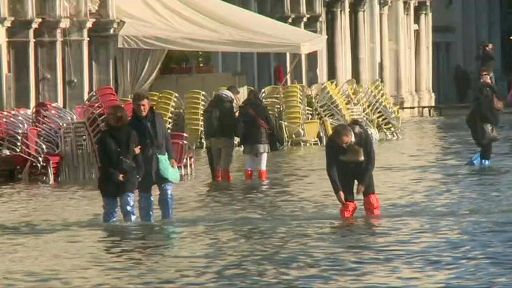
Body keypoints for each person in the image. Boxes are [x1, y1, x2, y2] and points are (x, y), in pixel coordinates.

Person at [129, 92, 177, 222]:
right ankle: (147, 224)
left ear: (148, 105)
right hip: (144, 163)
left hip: (161, 160)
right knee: (145, 197)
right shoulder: (131, 124)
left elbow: (167, 137)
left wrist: (171, 157)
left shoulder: (158, 117)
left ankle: (168, 221)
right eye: (138, 106)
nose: (141, 108)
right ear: (133, 106)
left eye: (143, 105)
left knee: (166, 192)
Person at [97, 105, 143, 223]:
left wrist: (139, 174)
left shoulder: (131, 133)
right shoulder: (104, 137)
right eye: (108, 115)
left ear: (120, 116)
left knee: (127, 206)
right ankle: (112, 237)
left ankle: (130, 235)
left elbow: (136, 157)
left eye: (112, 115)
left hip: (128, 175)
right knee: (110, 211)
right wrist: (114, 174)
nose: (109, 117)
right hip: (109, 176)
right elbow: (103, 160)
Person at [325, 120, 380, 218]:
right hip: (344, 171)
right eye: (341, 144)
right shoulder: (331, 142)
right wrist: (337, 190)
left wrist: (363, 182)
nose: (344, 146)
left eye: (346, 143)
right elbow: (331, 167)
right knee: (348, 206)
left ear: (350, 135)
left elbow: (371, 160)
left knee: (371, 201)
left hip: (362, 168)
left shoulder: (362, 134)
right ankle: (348, 228)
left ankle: (372, 226)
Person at [466, 69, 502, 167]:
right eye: (483, 75)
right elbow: (480, 103)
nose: (485, 77)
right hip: (480, 123)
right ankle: (476, 164)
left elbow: (499, 96)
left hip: (487, 122)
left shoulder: (491, 89)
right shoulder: (479, 89)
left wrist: (490, 85)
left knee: (487, 147)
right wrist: (484, 84)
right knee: (486, 146)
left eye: (487, 75)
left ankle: (476, 163)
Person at [237, 89, 274, 181]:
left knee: (249, 163)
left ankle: (248, 183)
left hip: (248, 140)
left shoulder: (243, 108)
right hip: (262, 139)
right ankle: (263, 185)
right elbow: (270, 123)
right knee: (262, 165)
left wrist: (240, 137)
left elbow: (239, 125)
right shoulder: (262, 107)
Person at [203, 90, 237, 182]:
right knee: (225, 165)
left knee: (216, 164)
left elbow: (206, 124)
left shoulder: (210, 106)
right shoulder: (228, 106)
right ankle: (226, 187)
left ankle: (217, 184)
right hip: (226, 138)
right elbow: (231, 123)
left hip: (213, 139)